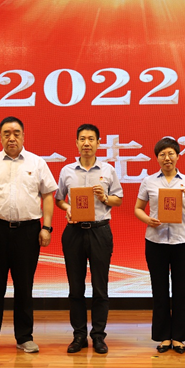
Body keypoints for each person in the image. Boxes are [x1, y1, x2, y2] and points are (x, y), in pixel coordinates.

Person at [0, 116, 58, 354]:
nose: (12, 138)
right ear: (0, 137)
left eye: (16, 133)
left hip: (28, 232)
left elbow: (48, 195)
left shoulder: (37, 163)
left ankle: (24, 337)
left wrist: (46, 227)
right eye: (6, 133)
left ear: (23, 136)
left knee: (24, 286)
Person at [55, 124, 123, 354]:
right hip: (74, 232)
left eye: (91, 139)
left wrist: (105, 198)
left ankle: (99, 336)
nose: (86, 143)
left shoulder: (108, 170)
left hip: (99, 231)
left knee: (100, 287)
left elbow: (118, 199)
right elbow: (59, 199)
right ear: (76, 143)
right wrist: (68, 208)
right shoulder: (67, 171)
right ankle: (79, 335)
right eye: (82, 139)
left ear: (98, 143)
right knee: (75, 287)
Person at [134, 137, 185, 354]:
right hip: (156, 241)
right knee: (159, 290)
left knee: (181, 290)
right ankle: (163, 336)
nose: (167, 158)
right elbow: (138, 208)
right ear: (157, 158)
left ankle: (179, 337)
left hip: (183, 242)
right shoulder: (149, 181)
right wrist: (148, 220)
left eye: (171, 153)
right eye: (162, 154)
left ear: (178, 156)